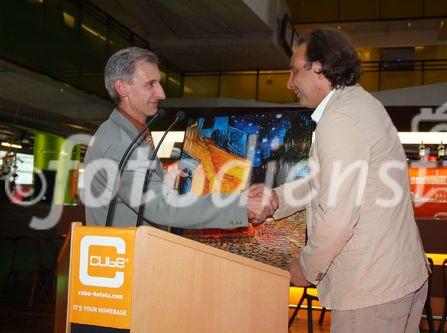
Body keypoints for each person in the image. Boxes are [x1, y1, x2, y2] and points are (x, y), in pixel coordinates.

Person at [273, 29, 429, 332]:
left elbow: (339, 217)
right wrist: (276, 200)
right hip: (392, 280)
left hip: (371, 290)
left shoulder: (340, 120)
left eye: (294, 71)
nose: (290, 83)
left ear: (319, 68)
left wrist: (305, 268)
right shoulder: (360, 104)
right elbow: (325, 184)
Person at [84, 47, 276, 228]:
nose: (161, 93)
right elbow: (161, 207)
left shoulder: (129, 134)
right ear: (122, 88)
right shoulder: (119, 144)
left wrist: (163, 183)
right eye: (151, 84)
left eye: (158, 83)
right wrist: (239, 204)